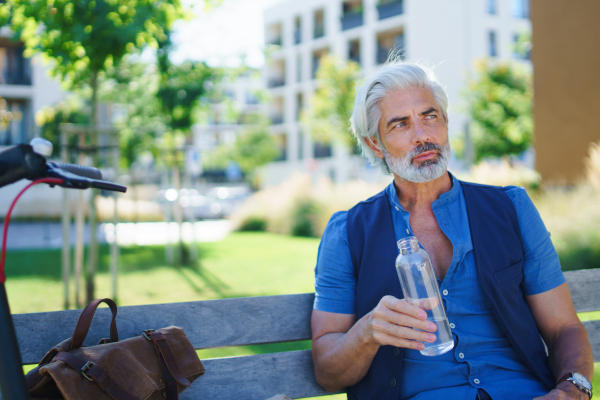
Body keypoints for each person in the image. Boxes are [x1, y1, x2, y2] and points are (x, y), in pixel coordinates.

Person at [310, 62, 593, 400]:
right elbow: (328, 372)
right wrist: (367, 332)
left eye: (430, 117)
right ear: (375, 145)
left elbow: (563, 327)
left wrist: (572, 391)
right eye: (400, 124)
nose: (422, 135)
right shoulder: (346, 233)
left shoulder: (511, 208)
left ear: (445, 123)